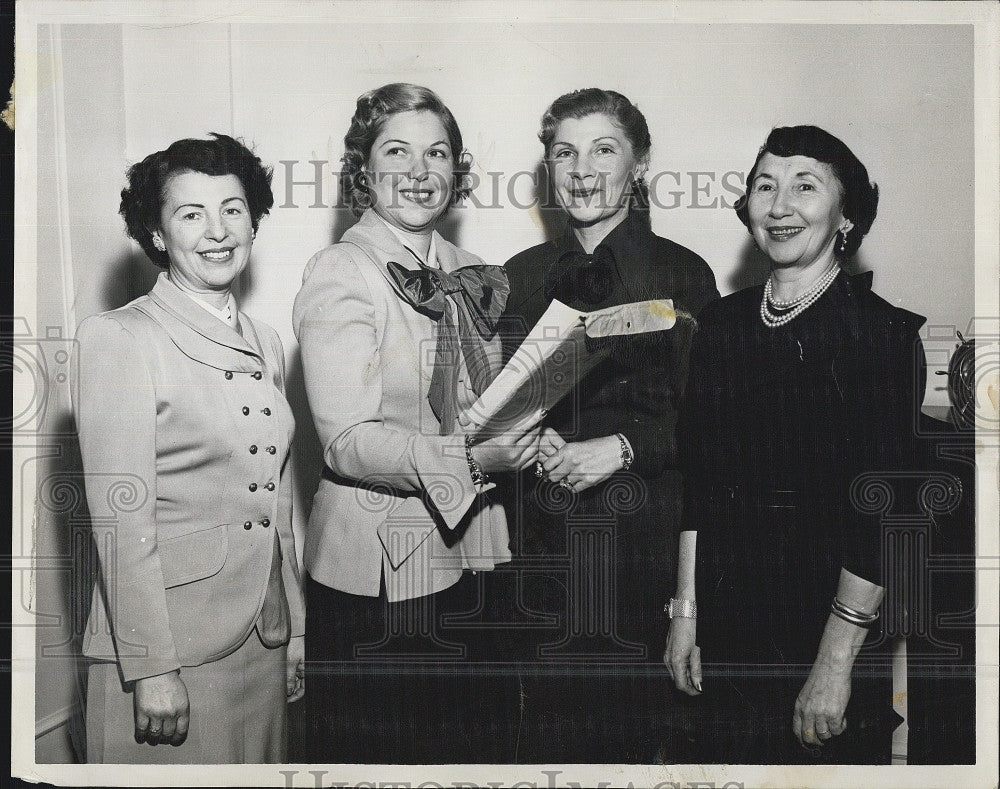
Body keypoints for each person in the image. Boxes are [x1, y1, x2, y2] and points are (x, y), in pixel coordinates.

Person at [292, 83, 540, 764]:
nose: (418, 169)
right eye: (395, 150)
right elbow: (346, 441)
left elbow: (478, 408)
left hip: (473, 551)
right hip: (380, 575)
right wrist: (479, 458)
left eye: (437, 153)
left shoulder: (467, 271)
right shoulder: (342, 270)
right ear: (362, 170)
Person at [664, 125, 925, 764]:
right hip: (728, 626)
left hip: (826, 629)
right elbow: (700, 487)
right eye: (765, 186)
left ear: (847, 215)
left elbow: (883, 519)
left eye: (805, 187)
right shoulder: (722, 324)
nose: (780, 206)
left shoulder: (883, 338)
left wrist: (834, 665)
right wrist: (686, 613)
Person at [501, 88, 719, 762]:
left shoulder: (684, 274)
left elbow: (715, 433)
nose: (582, 168)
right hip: (544, 557)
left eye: (604, 148)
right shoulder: (520, 276)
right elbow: (498, 415)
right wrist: (524, 439)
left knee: (637, 747)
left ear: (641, 163)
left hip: (645, 559)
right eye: (564, 151)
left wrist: (623, 447)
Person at [73, 133, 305, 763]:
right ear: (155, 234)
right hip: (169, 653)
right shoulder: (120, 337)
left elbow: (273, 497)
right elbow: (120, 515)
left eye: (233, 209)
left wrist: (295, 629)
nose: (218, 231)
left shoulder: (265, 340)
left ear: (254, 221)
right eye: (190, 214)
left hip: (261, 639)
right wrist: (150, 668)